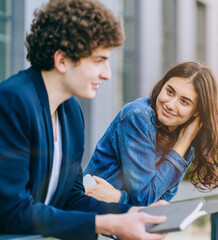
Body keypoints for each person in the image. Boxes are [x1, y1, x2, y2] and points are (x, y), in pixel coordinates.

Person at [0, 0, 167, 239]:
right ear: (62, 60)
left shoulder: (71, 113)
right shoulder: (12, 101)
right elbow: (12, 213)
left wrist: (135, 213)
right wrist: (107, 224)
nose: (107, 74)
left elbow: (71, 198)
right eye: (99, 60)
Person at [83, 61, 218, 206]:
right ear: (162, 85)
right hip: (89, 214)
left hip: (120, 222)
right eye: (170, 92)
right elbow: (144, 200)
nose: (170, 105)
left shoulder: (182, 136)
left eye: (184, 102)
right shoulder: (138, 117)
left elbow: (158, 204)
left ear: (196, 111)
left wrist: (118, 198)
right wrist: (183, 143)